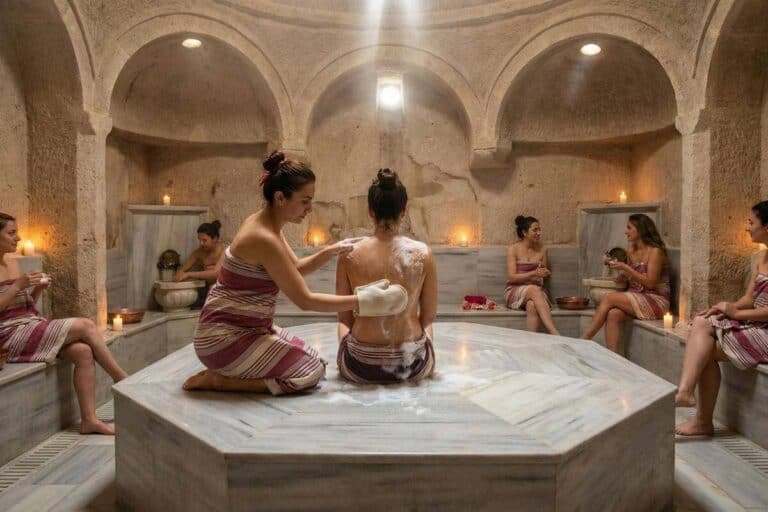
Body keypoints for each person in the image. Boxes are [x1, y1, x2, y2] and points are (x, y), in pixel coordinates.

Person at [183, 152, 408, 394]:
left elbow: (295, 268)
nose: (310, 209)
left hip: (248, 329)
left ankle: (232, 368)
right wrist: (366, 300)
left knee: (314, 358)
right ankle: (220, 381)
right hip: (223, 339)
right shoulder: (262, 237)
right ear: (281, 198)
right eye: (304, 201)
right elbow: (305, 300)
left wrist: (330, 251)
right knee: (310, 372)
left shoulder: (267, 224)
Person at [0, 213, 128, 435]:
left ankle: (89, 420)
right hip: (9, 335)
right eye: (11, 233)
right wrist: (18, 285)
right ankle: (121, 379)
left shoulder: (10, 262)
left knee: (83, 352)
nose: (18, 238)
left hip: (28, 323)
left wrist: (37, 289)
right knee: (87, 326)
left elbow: (23, 306)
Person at [675, 201, 768, 436]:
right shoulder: (760, 257)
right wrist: (725, 308)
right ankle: (686, 392)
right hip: (754, 323)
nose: (747, 228)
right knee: (701, 321)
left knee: (703, 350)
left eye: (751, 222)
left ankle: (701, 420)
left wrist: (735, 313)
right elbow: (749, 298)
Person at [335, 169, 437, 384]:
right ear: (404, 211)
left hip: (361, 365)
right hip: (411, 365)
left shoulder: (349, 253)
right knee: (427, 327)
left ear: (371, 211)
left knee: (342, 328)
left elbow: (344, 318)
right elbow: (427, 317)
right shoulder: (423, 253)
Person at [580, 214, 671, 353]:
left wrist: (626, 268)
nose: (625, 231)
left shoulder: (655, 252)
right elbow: (633, 275)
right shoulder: (631, 250)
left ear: (640, 230)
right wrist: (623, 276)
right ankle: (614, 359)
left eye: (629, 228)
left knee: (609, 298)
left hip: (656, 300)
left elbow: (651, 283)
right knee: (613, 314)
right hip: (637, 297)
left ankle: (584, 340)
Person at [504, 216, 560, 335]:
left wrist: (544, 273)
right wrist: (534, 273)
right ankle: (555, 333)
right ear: (524, 232)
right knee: (534, 290)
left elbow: (543, 273)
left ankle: (531, 343)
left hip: (537, 292)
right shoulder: (513, 249)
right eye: (535, 230)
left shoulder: (543, 249)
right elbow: (512, 277)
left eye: (539, 229)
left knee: (532, 306)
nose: (539, 233)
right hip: (515, 291)